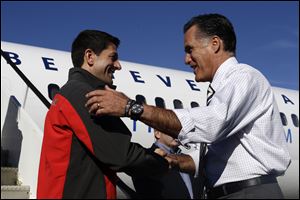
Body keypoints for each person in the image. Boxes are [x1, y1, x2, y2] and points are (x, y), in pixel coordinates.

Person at [85, 13, 291, 199]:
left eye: (190, 50)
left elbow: (213, 125)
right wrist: (175, 161)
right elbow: (219, 159)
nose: (186, 60)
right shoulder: (221, 90)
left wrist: (131, 107)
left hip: (249, 193)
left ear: (215, 44)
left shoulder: (244, 77)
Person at [37, 29, 169, 199]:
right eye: (112, 57)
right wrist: (161, 163)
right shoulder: (85, 94)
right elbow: (122, 155)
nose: (118, 65)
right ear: (90, 57)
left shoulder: (70, 92)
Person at [132, 129, 201, 199]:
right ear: (157, 133)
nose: (178, 134)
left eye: (180, 130)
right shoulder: (146, 159)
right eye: (171, 128)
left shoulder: (188, 159)